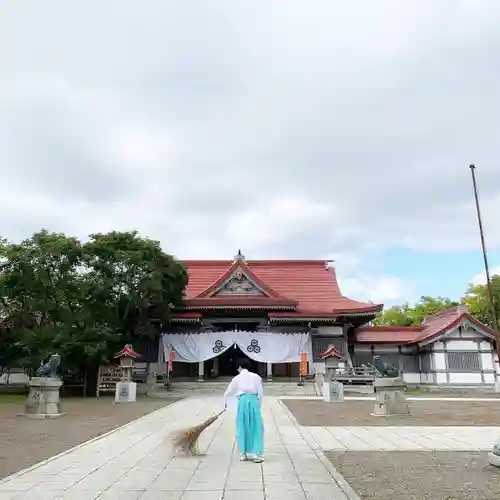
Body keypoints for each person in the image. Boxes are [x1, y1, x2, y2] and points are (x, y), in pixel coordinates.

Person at [224, 358, 264, 463]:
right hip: (254, 401)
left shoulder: (237, 378)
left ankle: (243, 453)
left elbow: (228, 392)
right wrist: (258, 405)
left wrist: (226, 404)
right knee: (256, 426)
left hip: (242, 402)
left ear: (240, 367)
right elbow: (260, 393)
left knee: (242, 425)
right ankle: (256, 453)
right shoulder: (256, 377)